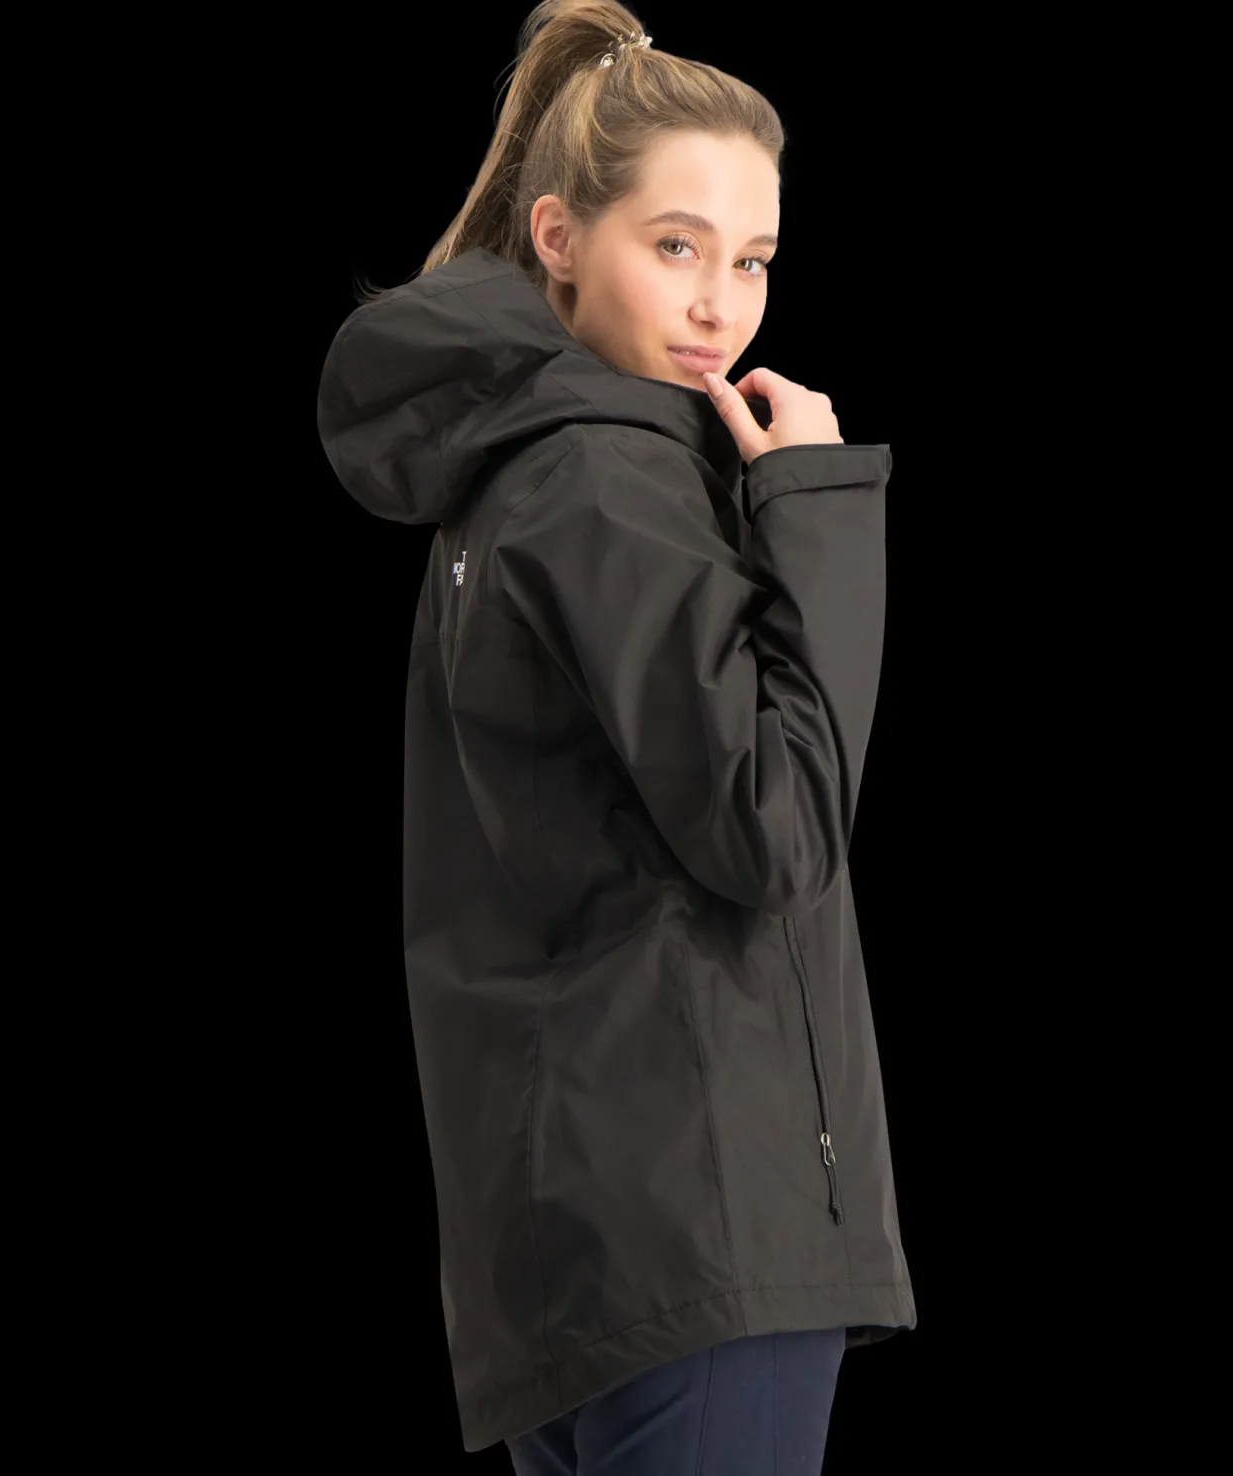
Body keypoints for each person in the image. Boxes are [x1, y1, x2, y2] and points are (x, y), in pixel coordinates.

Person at [316, 2, 915, 1467]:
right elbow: (775, 825)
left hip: (573, 1245)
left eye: (753, 259)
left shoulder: (506, 474)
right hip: (697, 1227)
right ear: (560, 237)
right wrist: (818, 506)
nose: (721, 305)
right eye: (677, 246)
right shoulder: (608, 477)